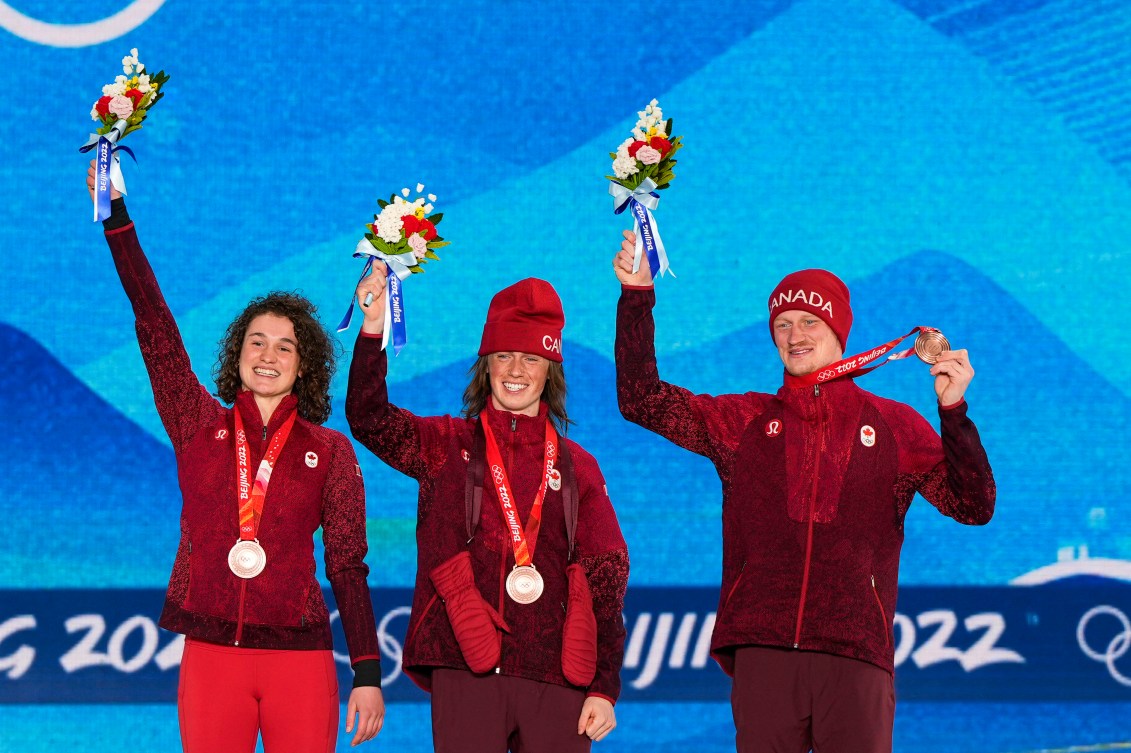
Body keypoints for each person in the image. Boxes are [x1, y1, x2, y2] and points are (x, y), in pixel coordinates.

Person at [612, 231, 996, 753]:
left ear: (840, 331)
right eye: (782, 324)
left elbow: (973, 507)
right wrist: (637, 295)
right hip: (764, 647)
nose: (795, 334)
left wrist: (953, 413)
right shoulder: (744, 421)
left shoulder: (895, 425)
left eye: (810, 321)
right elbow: (642, 401)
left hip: (857, 652)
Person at [86, 163, 385, 752]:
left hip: (299, 660)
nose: (268, 356)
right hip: (211, 657)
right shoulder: (197, 425)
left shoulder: (331, 453)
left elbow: (348, 567)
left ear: (306, 365)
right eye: (256, 341)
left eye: (285, 347)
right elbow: (155, 326)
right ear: (237, 353)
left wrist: (368, 674)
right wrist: (116, 216)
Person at [346, 267, 628, 753]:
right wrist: (373, 331)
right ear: (486, 365)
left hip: (557, 674)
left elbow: (607, 574)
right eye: (503, 356)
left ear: (551, 369)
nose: (516, 371)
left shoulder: (579, 466)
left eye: (531, 358)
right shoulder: (443, 445)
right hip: (465, 663)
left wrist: (604, 686)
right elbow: (368, 418)